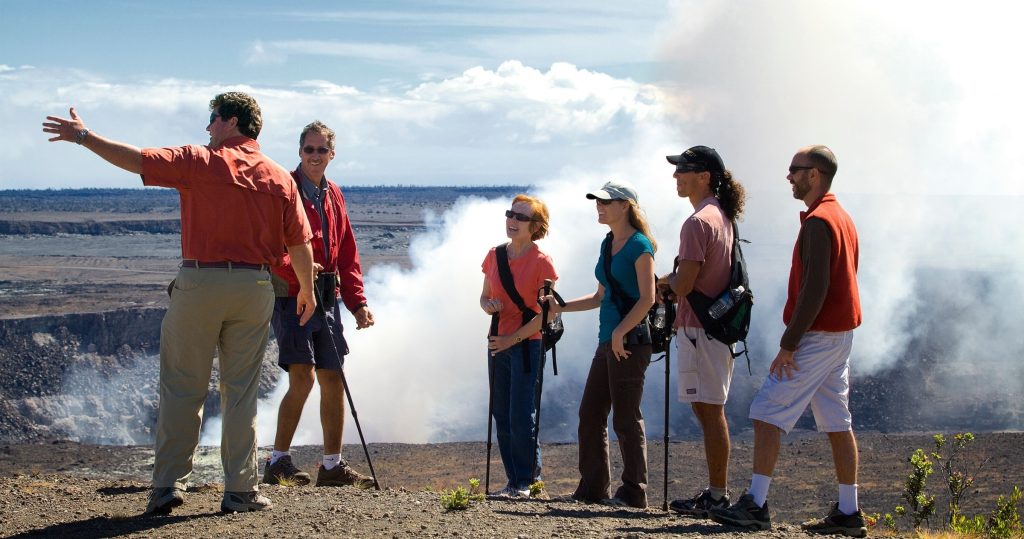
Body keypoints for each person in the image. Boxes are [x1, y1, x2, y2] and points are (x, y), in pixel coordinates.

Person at [42, 92, 316, 514]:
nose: (207, 127)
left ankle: (168, 485)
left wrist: (85, 137)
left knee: (182, 386)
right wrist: (306, 290)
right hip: (255, 288)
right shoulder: (280, 177)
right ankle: (241, 491)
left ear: (230, 121)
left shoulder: (199, 161)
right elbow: (299, 242)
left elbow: (137, 159)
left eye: (212, 119)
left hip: (200, 283)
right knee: (241, 392)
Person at [710, 145, 866, 537]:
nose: (789, 177)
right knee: (836, 420)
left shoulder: (818, 221)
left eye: (795, 170)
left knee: (766, 412)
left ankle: (756, 504)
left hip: (816, 337)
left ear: (814, 175)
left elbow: (815, 288)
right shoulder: (840, 216)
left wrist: (790, 344)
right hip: (840, 336)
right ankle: (849, 511)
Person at [261, 121, 376, 489]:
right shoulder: (284, 189)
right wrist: (294, 266)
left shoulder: (334, 195)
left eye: (321, 150)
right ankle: (278, 461)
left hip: (327, 296)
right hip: (291, 297)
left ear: (332, 154)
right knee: (303, 376)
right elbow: (268, 247)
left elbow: (347, 253)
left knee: (332, 377)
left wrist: (357, 303)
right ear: (299, 152)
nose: (314, 156)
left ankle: (331, 466)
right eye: (309, 150)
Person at [544, 180, 656, 509]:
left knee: (625, 417)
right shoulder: (609, 244)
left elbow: (647, 298)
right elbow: (599, 296)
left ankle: (634, 493)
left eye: (606, 202)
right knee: (591, 414)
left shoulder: (639, 246)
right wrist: (560, 307)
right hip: (609, 340)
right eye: (597, 201)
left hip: (630, 343)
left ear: (626, 206)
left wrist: (620, 332)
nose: (599, 206)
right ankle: (593, 488)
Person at [661, 145, 747, 517]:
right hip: (714, 329)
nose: (676, 177)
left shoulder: (697, 223)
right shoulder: (721, 217)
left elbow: (684, 285)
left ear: (704, 177)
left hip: (700, 330)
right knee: (710, 409)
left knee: (710, 412)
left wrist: (661, 282)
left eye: (683, 170)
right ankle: (716, 493)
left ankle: (716, 496)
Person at [480, 195, 558, 497]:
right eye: (510, 214)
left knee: (521, 413)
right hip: (498, 341)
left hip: (527, 345)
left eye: (521, 218)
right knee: (501, 411)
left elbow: (547, 314)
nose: (512, 221)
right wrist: (489, 306)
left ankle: (526, 481)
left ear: (535, 226)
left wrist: (511, 339)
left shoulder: (543, 263)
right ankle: (515, 481)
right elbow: (484, 296)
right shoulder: (494, 255)